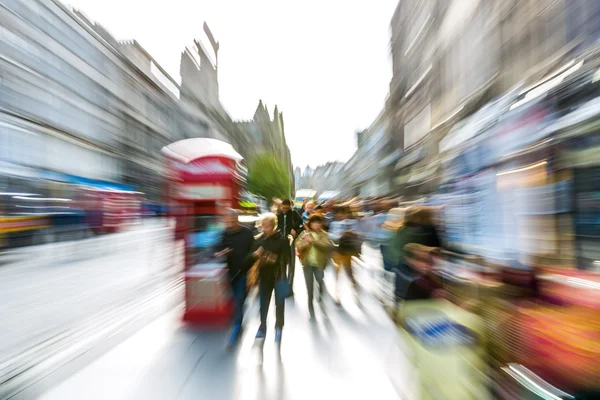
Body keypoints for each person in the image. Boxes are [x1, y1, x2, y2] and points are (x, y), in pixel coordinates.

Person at [214, 209, 255, 348]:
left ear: (237, 219)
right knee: (233, 299)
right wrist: (221, 252)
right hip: (229, 272)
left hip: (242, 271)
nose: (230, 224)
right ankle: (238, 318)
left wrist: (250, 269)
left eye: (232, 221)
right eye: (228, 221)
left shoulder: (247, 232)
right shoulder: (225, 233)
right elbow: (217, 248)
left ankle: (237, 325)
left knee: (239, 299)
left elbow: (253, 251)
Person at [252, 213, 289, 342]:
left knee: (279, 303)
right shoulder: (259, 240)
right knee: (263, 303)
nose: (264, 229)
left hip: (279, 276)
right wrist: (257, 256)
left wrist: (273, 259)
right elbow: (253, 258)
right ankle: (262, 326)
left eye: (267, 226)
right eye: (263, 226)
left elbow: (287, 259)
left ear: (273, 226)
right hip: (264, 276)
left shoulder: (283, 240)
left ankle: (279, 326)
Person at [295, 214, 332, 319]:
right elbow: (298, 245)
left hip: (319, 264)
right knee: (309, 284)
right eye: (313, 222)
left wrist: (313, 242)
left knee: (320, 280)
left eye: (318, 222)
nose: (316, 225)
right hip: (307, 264)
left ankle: (320, 293)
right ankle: (310, 303)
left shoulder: (324, 234)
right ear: (310, 224)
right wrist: (306, 243)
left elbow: (327, 247)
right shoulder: (304, 234)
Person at [328, 205, 361, 305]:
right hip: (338, 251)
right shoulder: (334, 223)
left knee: (349, 273)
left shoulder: (353, 223)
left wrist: (352, 233)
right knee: (337, 273)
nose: (340, 215)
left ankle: (356, 293)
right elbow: (330, 235)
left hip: (348, 251)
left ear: (346, 213)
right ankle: (337, 295)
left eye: (342, 213)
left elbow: (359, 234)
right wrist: (339, 236)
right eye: (337, 213)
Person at [277, 199, 303, 296]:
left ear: (290, 207)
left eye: (287, 208)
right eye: (283, 208)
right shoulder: (278, 215)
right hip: (281, 243)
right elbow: (275, 227)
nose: (285, 210)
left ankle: (290, 288)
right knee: (282, 265)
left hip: (291, 242)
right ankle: (284, 288)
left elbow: (302, 225)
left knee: (291, 265)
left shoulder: (294, 214)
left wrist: (295, 230)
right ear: (281, 206)